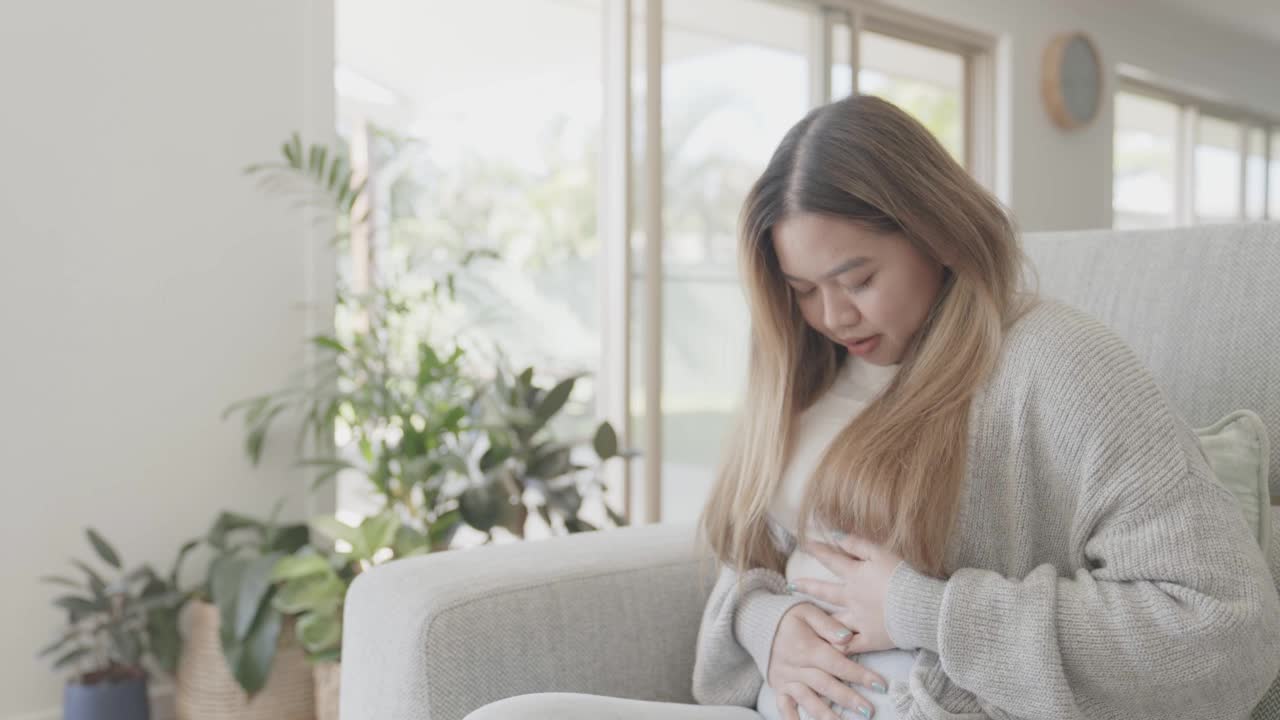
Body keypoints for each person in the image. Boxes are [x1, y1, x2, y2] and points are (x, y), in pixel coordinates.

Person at [464, 95, 1280, 720]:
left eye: (857, 280)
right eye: (803, 290)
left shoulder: (1057, 366)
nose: (832, 316)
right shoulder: (809, 365)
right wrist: (765, 627)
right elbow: (752, 564)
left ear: (940, 233)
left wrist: (923, 609)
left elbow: (1228, 630)